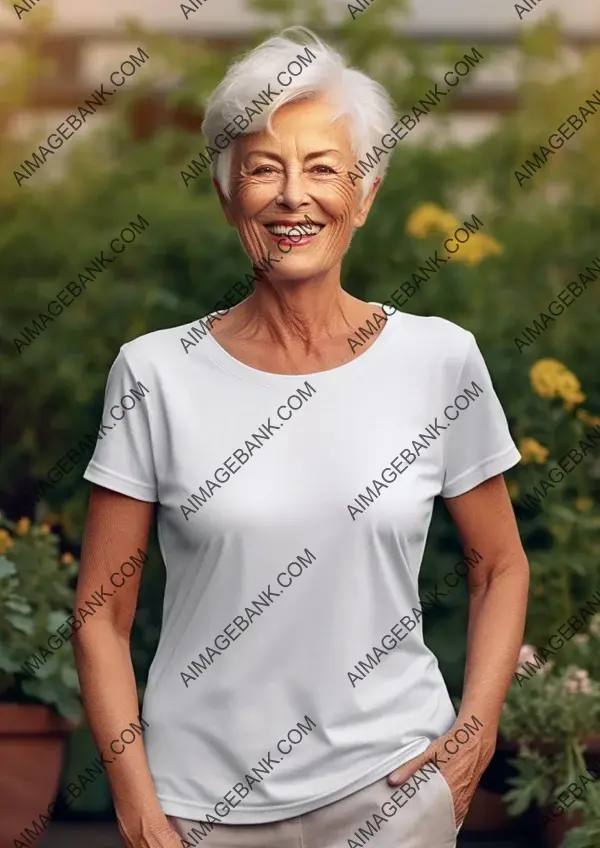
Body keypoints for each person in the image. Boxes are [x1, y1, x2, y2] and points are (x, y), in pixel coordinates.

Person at [73, 26, 530, 848]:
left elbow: (501, 563)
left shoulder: (439, 360)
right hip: (196, 810)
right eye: (263, 168)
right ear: (226, 194)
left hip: (392, 793)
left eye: (323, 167)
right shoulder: (153, 373)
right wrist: (141, 811)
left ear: (366, 192)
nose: (294, 196)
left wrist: (473, 736)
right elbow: (100, 618)